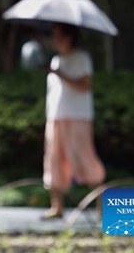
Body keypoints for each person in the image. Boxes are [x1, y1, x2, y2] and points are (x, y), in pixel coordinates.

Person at [42, 23, 106, 219]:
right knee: (54, 160)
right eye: (54, 35)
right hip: (56, 117)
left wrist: (62, 75)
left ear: (70, 37)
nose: (55, 40)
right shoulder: (56, 60)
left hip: (77, 117)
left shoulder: (81, 57)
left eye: (59, 35)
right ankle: (57, 207)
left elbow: (85, 86)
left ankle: (103, 205)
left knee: (82, 158)